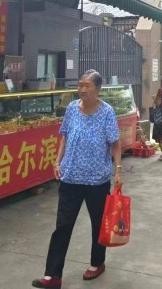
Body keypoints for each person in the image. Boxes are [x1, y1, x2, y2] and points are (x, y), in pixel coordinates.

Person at [32, 70, 122, 287]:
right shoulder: (72, 108)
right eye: (80, 85)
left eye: (87, 86)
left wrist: (118, 170)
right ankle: (53, 275)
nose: (82, 89)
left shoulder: (107, 112)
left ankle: (97, 263)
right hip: (70, 177)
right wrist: (57, 162)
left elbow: (115, 143)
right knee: (62, 225)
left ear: (98, 89)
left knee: (98, 224)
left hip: (97, 180)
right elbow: (64, 137)